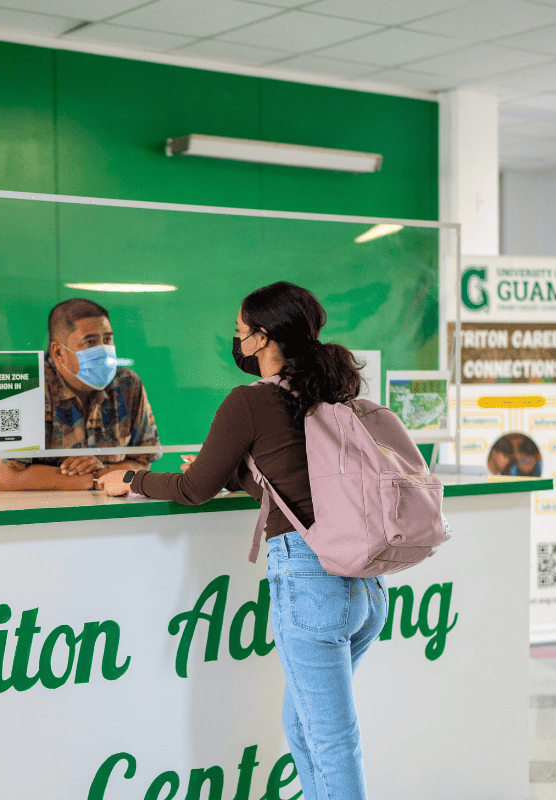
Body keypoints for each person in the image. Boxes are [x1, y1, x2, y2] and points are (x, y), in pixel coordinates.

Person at [98, 281, 387, 800]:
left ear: (260, 338)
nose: (235, 342)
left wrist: (132, 480)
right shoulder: (330, 390)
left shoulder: (250, 402)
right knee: (303, 729)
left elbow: (191, 488)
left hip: (311, 583)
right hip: (366, 589)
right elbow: (296, 474)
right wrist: (237, 475)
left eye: (239, 331)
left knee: (329, 740)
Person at [0, 298, 159, 491]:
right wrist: (97, 478)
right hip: (12, 513)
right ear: (58, 351)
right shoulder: (19, 384)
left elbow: (142, 461)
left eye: (108, 339)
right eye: (90, 342)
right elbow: (6, 477)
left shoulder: (127, 384)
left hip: (97, 509)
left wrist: (100, 471)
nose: (103, 350)